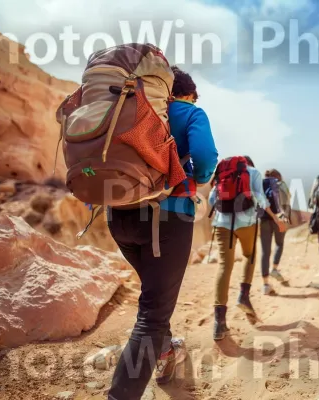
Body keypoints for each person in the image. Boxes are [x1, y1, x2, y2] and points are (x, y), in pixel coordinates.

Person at [107, 66, 218, 400]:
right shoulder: (188, 112)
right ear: (185, 93)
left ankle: (167, 353)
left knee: (155, 295)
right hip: (164, 220)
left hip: (118, 217)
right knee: (153, 315)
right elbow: (205, 156)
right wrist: (196, 179)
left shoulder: (125, 109)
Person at [209, 156, 286, 340]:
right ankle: (243, 295)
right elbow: (261, 198)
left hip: (221, 223)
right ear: (249, 164)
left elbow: (212, 199)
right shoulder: (254, 173)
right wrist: (275, 218)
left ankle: (219, 323)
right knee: (249, 255)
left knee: (224, 266)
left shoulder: (222, 171)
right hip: (246, 223)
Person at [259, 169, 290, 295]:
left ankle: (265, 284)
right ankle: (275, 269)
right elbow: (286, 202)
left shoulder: (260, 184)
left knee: (265, 251)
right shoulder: (281, 185)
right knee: (279, 243)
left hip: (264, 219)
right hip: (279, 218)